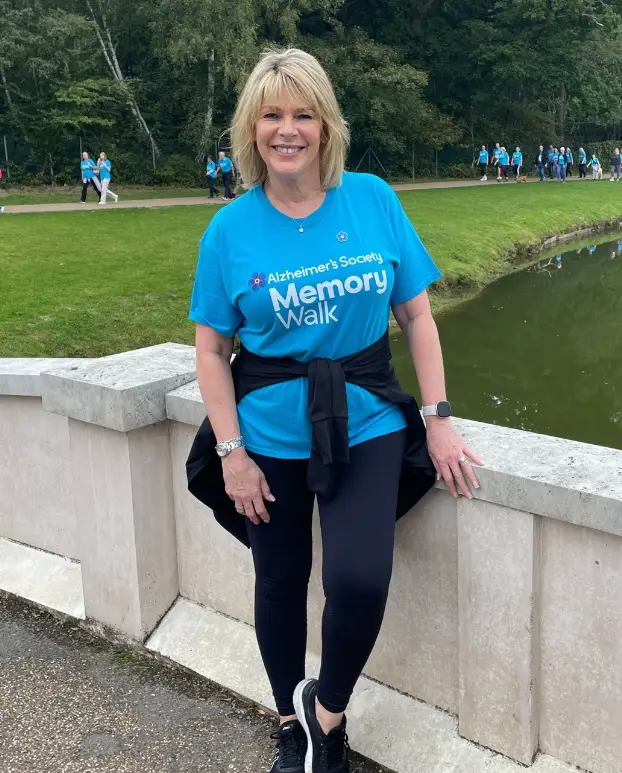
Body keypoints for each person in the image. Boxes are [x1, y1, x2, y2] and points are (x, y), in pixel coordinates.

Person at [186, 47, 481, 773]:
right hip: (268, 431)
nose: (288, 130)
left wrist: (438, 414)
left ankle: (328, 711)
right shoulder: (229, 230)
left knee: (358, 578)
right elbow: (210, 352)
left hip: (368, 418)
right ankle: (290, 722)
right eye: (272, 115)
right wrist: (233, 454)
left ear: (325, 125)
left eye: (303, 114)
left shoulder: (372, 198)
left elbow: (416, 317)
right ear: (251, 130)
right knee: (279, 579)